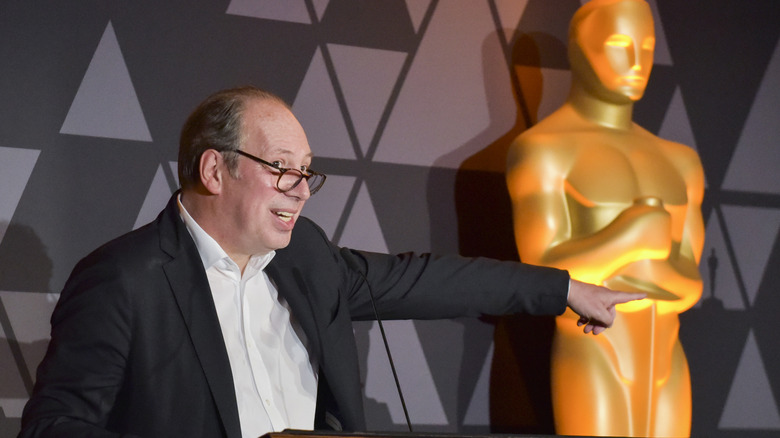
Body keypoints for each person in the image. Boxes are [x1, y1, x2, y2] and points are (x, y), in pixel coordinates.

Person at [20, 86, 643, 438]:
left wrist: (564, 290)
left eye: (306, 173)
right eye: (281, 169)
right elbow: (54, 429)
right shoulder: (124, 279)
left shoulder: (308, 259)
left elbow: (428, 280)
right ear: (215, 170)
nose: (300, 188)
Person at [505, 0, 705, 436]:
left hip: (668, 355)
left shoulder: (680, 162)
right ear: (580, 49)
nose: (637, 61)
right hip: (592, 351)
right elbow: (543, 272)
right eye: (619, 44)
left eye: (647, 46)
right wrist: (631, 238)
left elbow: (690, 284)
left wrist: (634, 260)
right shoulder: (546, 151)